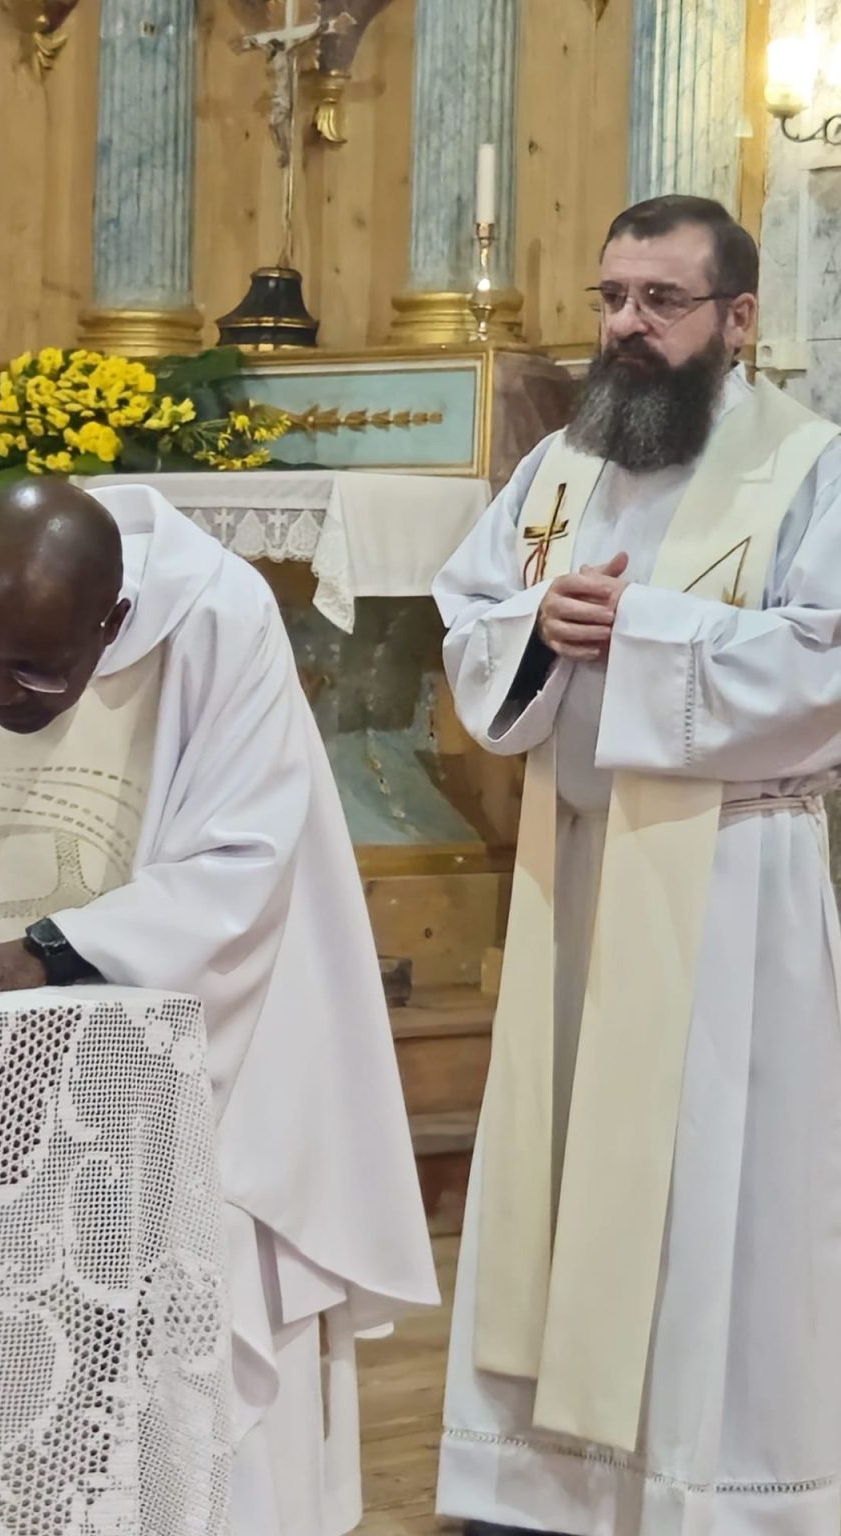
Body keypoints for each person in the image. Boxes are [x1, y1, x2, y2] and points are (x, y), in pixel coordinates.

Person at [0, 476, 438, 1536]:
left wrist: (57, 950)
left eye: (39, 668)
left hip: (202, 1068)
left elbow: (244, 865)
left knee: (185, 1390)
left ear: (113, 621)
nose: (3, 693)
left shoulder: (219, 624)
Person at [433, 195, 841, 1536]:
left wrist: (647, 634)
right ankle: (539, 1486)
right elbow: (472, 612)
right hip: (577, 875)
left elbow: (828, 655)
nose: (624, 327)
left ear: (738, 320)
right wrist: (538, 627)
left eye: (659, 302)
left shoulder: (811, 465)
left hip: (731, 883)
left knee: (728, 1195)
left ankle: (713, 1492)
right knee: (559, 1182)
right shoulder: (559, 466)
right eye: (611, 297)